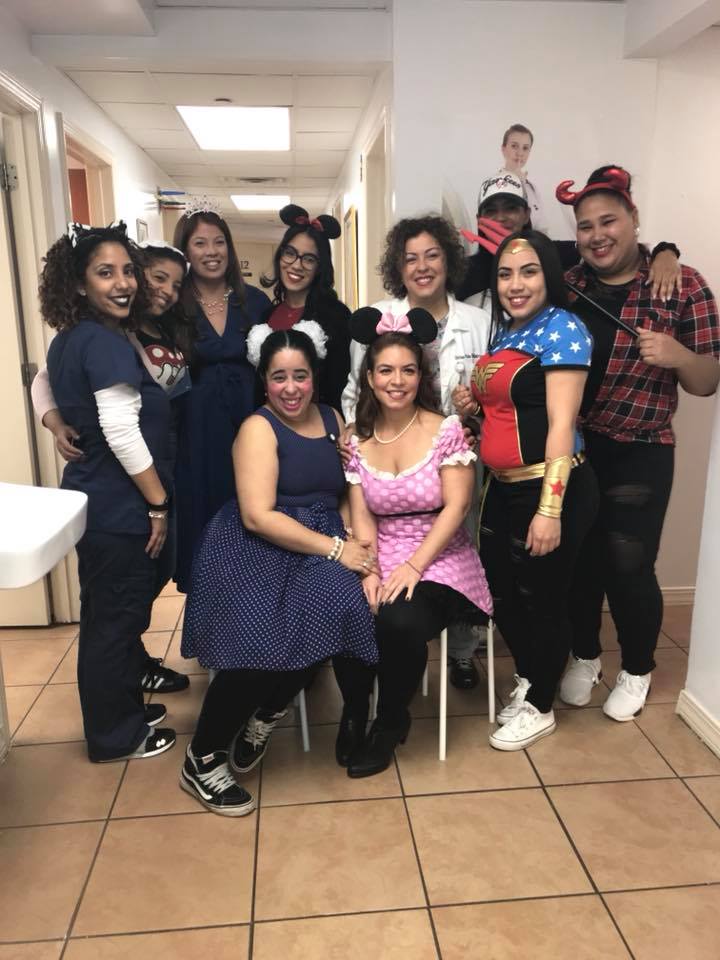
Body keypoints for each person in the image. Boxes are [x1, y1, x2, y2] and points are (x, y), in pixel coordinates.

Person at [179, 325, 377, 815]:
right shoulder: (257, 428)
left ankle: (267, 711)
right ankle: (202, 758)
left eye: (300, 376)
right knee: (258, 633)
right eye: (279, 377)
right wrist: (337, 549)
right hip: (256, 545)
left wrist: (351, 534)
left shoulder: (333, 418)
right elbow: (257, 516)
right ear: (264, 381)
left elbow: (344, 489)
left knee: (339, 604)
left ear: (315, 377)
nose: (291, 388)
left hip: (320, 540)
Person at [554, 165, 720, 719]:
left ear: (634, 219)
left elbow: (706, 381)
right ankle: (584, 654)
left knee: (628, 562)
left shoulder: (682, 284)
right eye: (585, 226)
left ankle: (637, 667)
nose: (597, 235)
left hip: (642, 447)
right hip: (577, 447)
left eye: (609, 221)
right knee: (578, 561)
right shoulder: (568, 286)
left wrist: (678, 355)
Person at [454, 231, 599, 749]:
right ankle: (532, 676)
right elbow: (507, 405)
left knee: (544, 600)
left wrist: (550, 509)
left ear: (549, 276)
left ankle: (540, 705)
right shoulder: (506, 333)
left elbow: (560, 424)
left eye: (529, 271)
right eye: (505, 274)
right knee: (499, 592)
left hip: (550, 487)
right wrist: (473, 404)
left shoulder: (564, 329)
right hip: (501, 488)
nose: (516, 284)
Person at [335, 307, 493, 777]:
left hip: (440, 554)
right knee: (343, 601)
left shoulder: (446, 429)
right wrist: (370, 569)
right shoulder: (357, 440)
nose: (397, 380)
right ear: (369, 377)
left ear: (421, 376)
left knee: (399, 620)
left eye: (407, 370)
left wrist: (414, 566)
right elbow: (362, 513)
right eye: (386, 370)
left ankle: (390, 722)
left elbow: (457, 507)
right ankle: (355, 710)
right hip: (381, 547)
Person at [40, 222, 176, 761]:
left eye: (127, 271)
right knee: (113, 624)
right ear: (79, 283)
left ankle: (123, 712)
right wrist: (158, 503)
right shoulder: (101, 341)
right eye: (105, 273)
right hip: (119, 508)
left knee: (108, 617)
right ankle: (115, 736)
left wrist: (52, 420)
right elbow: (121, 430)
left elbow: (43, 383)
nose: (122, 283)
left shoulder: (74, 338)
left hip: (96, 502)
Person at [342, 215, 492, 690]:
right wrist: (354, 434)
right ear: (398, 268)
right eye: (411, 258)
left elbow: (494, 395)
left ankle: (462, 652)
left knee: (459, 536)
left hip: (454, 454)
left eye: (432, 256)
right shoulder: (378, 317)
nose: (422, 267)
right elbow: (356, 390)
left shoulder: (478, 322)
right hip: (390, 449)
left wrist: (472, 423)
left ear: (449, 261)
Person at [172, 204, 271, 591]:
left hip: (248, 434)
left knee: (250, 526)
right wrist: (53, 416)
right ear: (185, 250)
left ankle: (247, 619)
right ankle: (206, 622)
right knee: (201, 535)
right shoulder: (171, 306)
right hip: (193, 438)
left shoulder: (255, 303)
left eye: (219, 242)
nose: (211, 251)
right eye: (200, 243)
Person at [457, 172, 681, 306]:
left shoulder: (554, 253)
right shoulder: (465, 271)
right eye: (491, 211)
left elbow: (605, 248)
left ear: (526, 214)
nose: (501, 218)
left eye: (511, 208)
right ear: (479, 219)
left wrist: (665, 252)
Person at [260, 204, 350, 409]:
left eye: (309, 259)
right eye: (290, 253)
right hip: (269, 422)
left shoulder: (337, 317)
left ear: (320, 267)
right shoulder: (266, 316)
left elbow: (341, 388)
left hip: (320, 423)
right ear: (280, 255)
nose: (296, 265)